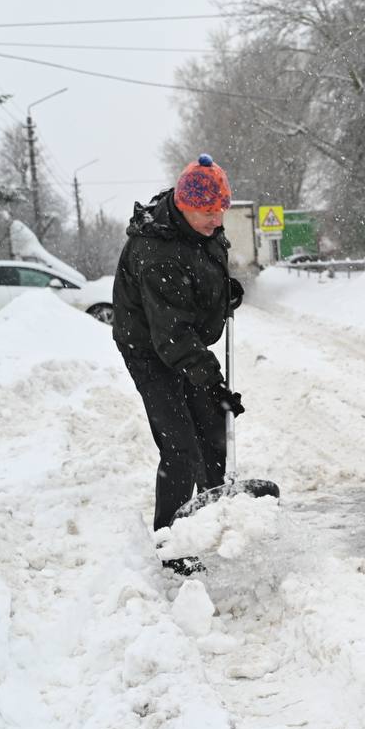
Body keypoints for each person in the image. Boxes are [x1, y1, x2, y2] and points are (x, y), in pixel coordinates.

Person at [112, 153, 246, 574]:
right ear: (184, 206)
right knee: (181, 446)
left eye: (220, 210)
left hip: (182, 344)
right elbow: (172, 337)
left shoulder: (201, 230)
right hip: (151, 353)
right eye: (208, 212)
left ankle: (213, 516)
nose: (217, 220)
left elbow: (202, 276)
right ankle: (170, 543)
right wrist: (214, 383)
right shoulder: (156, 251)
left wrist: (226, 294)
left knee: (212, 432)